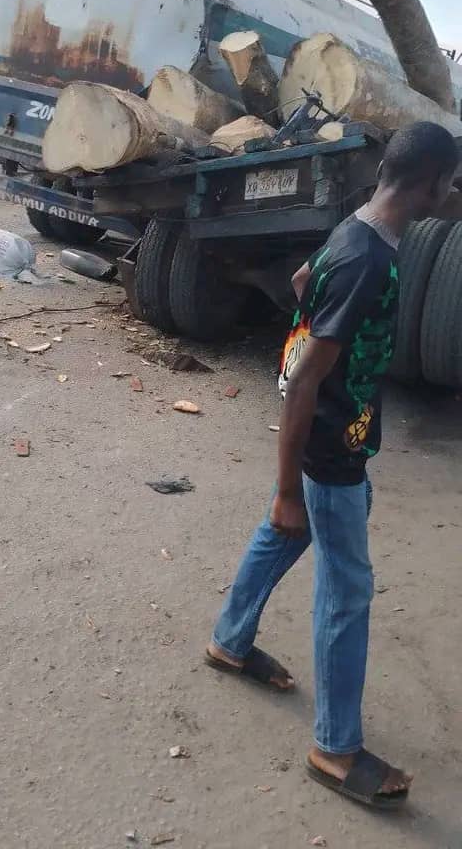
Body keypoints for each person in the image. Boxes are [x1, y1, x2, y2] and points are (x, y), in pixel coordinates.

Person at [206, 122, 459, 810]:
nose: (451, 192)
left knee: (288, 535)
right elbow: (303, 383)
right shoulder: (369, 258)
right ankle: (335, 749)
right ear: (432, 180)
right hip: (329, 450)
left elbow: (299, 279)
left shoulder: (361, 227)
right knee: (346, 591)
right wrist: (289, 484)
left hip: (339, 436)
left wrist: (325, 325)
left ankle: (230, 640)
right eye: (451, 181)